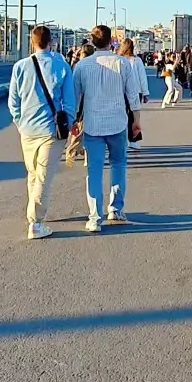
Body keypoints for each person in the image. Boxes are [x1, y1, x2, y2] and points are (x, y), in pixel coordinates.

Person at [8, 24, 76, 240]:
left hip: (27, 130)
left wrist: (20, 123)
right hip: (51, 131)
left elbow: (13, 102)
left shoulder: (20, 66)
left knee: (33, 174)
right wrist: (69, 125)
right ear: (51, 42)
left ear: (32, 42)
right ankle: (35, 223)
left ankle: (33, 213)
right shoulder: (62, 66)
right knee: (44, 176)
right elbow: (70, 103)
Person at [73, 25, 140, 232]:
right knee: (118, 164)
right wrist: (136, 121)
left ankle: (94, 218)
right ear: (112, 42)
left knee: (94, 170)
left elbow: (75, 98)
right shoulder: (122, 63)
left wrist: (74, 121)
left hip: (93, 125)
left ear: (92, 42)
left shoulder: (82, 66)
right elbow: (133, 95)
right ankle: (116, 208)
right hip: (118, 123)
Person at [118, 38, 150, 150]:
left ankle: (125, 140)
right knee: (134, 117)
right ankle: (133, 140)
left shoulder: (119, 60)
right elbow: (142, 78)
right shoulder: (136, 60)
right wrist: (145, 92)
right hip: (136, 91)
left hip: (121, 91)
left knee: (123, 116)